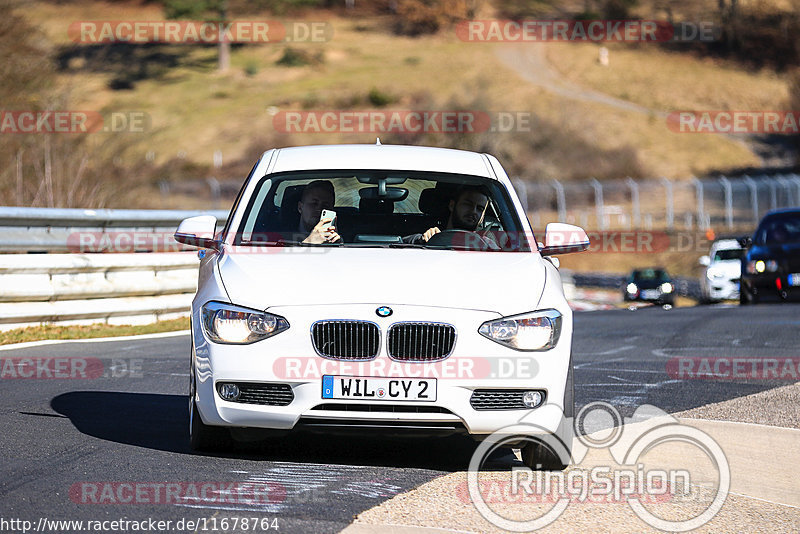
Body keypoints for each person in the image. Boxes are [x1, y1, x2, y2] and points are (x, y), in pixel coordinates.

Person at [404, 184, 491, 244]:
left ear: (483, 216)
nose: (474, 211)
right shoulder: (431, 236)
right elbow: (399, 243)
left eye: (480, 208)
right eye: (468, 204)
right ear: (452, 205)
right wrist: (422, 239)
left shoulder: (489, 247)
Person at [296, 180, 341, 244]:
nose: (319, 208)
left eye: (326, 205)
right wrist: (309, 242)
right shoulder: (280, 235)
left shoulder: (348, 237)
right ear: (300, 207)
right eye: (314, 203)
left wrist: (338, 245)